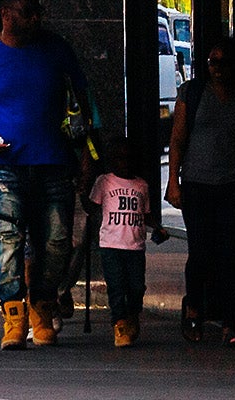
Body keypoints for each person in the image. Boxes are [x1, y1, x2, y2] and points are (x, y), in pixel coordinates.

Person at [0, 0, 91, 350]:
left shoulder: (57, 50)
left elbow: (85, 101)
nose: (35, 20)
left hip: (55, 163)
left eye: (36, 13)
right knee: (8, 242)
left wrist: (89, 152)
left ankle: (42, 306)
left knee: (58, 241)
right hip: (3, 166)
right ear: (6, 15)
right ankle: (14, 317)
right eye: (26, 13)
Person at [165, 39, 235, 345]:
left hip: (234, 183)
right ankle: (193, 310)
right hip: (198, 183)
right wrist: (173, 181)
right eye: (211, 62)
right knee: (200, 251)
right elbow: (177, 139)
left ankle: (231, 321)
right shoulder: (192, 93)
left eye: (222, 62)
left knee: (230, 253)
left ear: (234, 65)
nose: (216, 68)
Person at [87, 135, 155, 349]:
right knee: (116, 287)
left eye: (128, 159)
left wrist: (158, 228)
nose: (124, 163)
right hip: (110, 245)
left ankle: (133, 313)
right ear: (112, 160)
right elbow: (92, 206)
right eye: (119, 159)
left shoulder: (141, 185)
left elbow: (146, 213)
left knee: (136, 287)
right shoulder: (104, 181)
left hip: (135, 246)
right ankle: (119, 323)